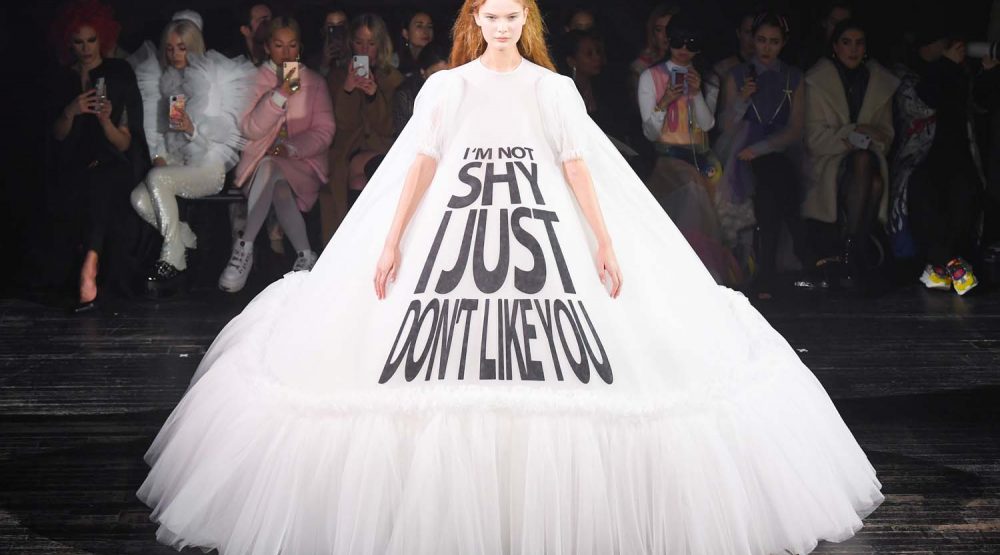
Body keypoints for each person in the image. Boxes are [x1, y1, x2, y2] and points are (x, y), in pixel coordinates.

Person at [137, 0, 882, 552]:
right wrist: (390, 242)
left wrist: (603, 239)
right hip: (459, 226)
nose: (499, 25)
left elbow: (577, 164)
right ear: (476, 19)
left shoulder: (552, 90)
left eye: (511, 14)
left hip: (536, 229)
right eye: (489, 14)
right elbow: (421, 163)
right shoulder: (447, 89)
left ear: (525, 20)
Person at [127, 12, 256, 295]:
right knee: (138, 198)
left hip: (209, 167)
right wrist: (166, 150)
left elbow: (221, 135)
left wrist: (192, 130)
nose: (175, 55)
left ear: (194, 46)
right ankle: (181, 236)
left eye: (182, 48)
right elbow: (165, 132)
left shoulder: (210, 79)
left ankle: (173, 256)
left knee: (157, 179)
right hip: (182, 163)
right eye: (170, 48)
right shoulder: (170, 81)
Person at [218, 16, 335, 293]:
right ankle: (305, 255)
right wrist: (279, 95)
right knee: (275, 177)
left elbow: (325, 131)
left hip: (302, 165)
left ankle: (244, 246)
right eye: (279, 45)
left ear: (300, 47)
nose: (286, 53)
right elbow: (249, 128)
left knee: (274, 167)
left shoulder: (314, 81)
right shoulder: (254, 79)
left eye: (292, 45)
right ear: (268, 47)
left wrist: (292, 148)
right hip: (258, 169)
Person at [47, 0, 149, 312]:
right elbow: (56, 135)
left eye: (91, 40)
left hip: (112, 163)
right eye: (78, 42)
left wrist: (105, 121)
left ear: (102, 38)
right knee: (84, 184)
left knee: (101, 183)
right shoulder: (61, 78)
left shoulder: (118, 73)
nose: (86, 48)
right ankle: (84, 266)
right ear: (69, 42)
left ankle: (89, 267)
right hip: (74, 165)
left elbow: (124, 143)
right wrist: (71, 111)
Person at [637, 15, 735, 284]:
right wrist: (665, 101)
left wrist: (696, 93)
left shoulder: (707, 79)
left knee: (721, 196)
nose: (683, 49)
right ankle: (693, 273)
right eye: (678, 41)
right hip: (667, 159)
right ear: (668, 40)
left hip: (701, 157)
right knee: (692, 191)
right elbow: (650, 132)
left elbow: (707, 123)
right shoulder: (650, 77)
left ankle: (710, 271)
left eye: (691, 43)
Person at [717, 12, 807, 298]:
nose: (767, 48)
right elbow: (726, 126)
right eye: (761, 40)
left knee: (773, 181)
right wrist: (743, 99)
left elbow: (795, 129)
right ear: (752, 40)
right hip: (741, 149)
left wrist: (760, 148)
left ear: (783, 43)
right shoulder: (737, 75)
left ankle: (768, 271)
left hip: (777, 149)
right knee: (772, 183)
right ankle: (799, 249)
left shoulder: (793, 77)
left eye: (774, 41)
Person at [803, 19, 898, 288]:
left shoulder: (879, 82)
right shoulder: (817, 81)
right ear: (835, 46)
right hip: (827, 163)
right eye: (846, 42)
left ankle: (850, 250)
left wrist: (863, 137)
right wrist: (853, 132)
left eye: (859, 43)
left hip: (865, 163)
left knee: (869, 170)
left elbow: (886, 137)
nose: (853, 49)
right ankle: (855, 250)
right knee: (870, 173)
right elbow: (813, 138)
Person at [903, 34, 991, 295]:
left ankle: (943, 266)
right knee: (925, 194)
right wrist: (945, 65)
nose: (948, 48)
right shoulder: (907, 75)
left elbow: (980, 106)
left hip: (960, 154)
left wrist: (987, 73)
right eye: (941, 44)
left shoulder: (962, 72)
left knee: (965, 194)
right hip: (921, 157)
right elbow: (921, 104)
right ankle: (949, 264)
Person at [324, 13, 404, 242]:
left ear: (381, 45)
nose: (365, 49)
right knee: (354, 180)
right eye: (359, 42)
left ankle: (364, 244)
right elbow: (342, 126)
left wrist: (373, 97)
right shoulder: (337, 77)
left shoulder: (393, 79)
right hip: (346, 152)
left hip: (381, 151)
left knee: (362, 180)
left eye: (371, 43)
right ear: (351, 43)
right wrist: (348, 90)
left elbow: (389, 128)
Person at [393, 42, 449, 136]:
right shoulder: (406, 96)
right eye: (435, 75)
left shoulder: (459, 92)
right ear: (423, 72)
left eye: (447, 74)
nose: (442, 80)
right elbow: (405, 136)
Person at [628, 2, 678, 100]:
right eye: (659, 29)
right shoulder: (640, 67)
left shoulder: (691, 63)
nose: (665, 35)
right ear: (652, 32)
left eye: (669, 28)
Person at [307, 5, 349, 77]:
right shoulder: (312, 62)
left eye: (341, 26)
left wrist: (346, 58)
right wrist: (324, 64)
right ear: (323, 30)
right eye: (331, 27)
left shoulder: (359, 55)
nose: (337, 32)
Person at [395, 10, 435, 77]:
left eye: (429, 26)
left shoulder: (439, 60)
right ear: (406, 33)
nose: (426, 31)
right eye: (419, 26)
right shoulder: (394, 62)